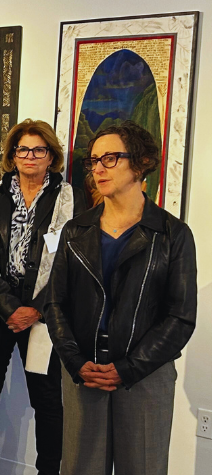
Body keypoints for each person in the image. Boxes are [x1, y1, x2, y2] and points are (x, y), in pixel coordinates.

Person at [44, 120, 197, 475]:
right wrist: (75, 362)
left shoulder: (172, 234)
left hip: (145, 377)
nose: (98, 167)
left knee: (142, 467)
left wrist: (128, 368)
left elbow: (180, 317)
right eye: (93, 160)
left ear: (140, 163)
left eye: (110, 158)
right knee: (80, 468)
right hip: (86, 372)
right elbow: (54, 304)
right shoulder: (76, 230)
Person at [0, 119, 85, 475]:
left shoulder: (71, 199)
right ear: (12, 156)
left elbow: (73, 260)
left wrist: (35, 308)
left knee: (48, 400)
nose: (30, 156)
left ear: (52, 156)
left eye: (39, 149)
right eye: (23, 149)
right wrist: (10, 308)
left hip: (45, 310)